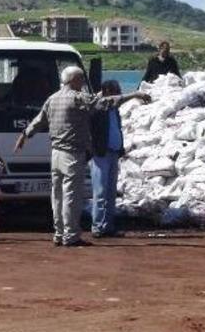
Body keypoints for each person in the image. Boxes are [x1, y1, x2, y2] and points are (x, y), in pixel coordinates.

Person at [14, 66, 150, 247]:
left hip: (55, 154)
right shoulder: (76, 98)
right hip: (72, 154)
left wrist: (25, 135)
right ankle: (71, 235)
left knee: (58, 196)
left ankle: (59, 233)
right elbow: (102, 104)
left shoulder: (52, 99)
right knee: (72, 196)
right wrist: (134, 95)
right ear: (75, 81)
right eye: (81, 81)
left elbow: (39, 121)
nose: (83, 84)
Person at [89, 80, 126, 238]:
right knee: (101, 191)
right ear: (106, 92)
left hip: (113, 152)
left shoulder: (114, 110)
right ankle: (98, 226)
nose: (118, 95)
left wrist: (121, 148)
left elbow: (117, 128)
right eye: (116, 91)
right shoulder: (98, 106)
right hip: (101, 154)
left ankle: (108, 225)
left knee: (111, 192)